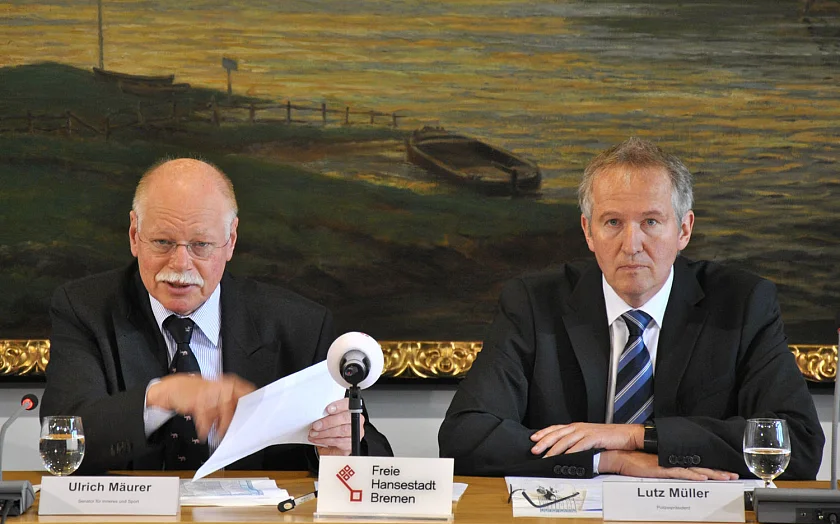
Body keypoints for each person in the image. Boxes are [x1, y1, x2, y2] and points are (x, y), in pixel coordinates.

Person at [439, 137, 824, 480]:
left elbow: (799, 445)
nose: (632, 243)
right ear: (588, 231)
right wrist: (608, 459)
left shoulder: (742, 304)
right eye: (612, 222)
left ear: (684, 231)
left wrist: (638, 436)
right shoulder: (533, 303)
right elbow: (465, 437)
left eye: (651, 222)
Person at [41, 157, 392, 474]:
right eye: (162, 242)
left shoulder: (299, 325)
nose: (180, 265)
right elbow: (63, 440)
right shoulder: (85, 309)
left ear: (231, 241)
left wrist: (343, 449)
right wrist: (161, 396)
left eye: (201, 245)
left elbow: (376, 458)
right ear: (135, 235)